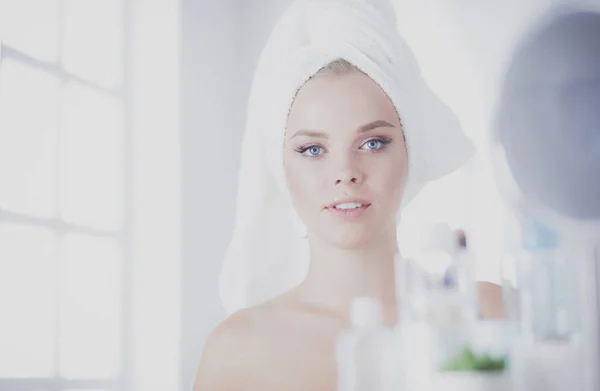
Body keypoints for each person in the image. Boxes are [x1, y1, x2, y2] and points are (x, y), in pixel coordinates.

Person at [194, 0, 504, 389]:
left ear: (411, 150)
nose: (345, 174)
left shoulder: (487, 314)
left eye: (373, 143)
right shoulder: (236, 350)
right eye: (312, 149)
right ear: (280, 165)